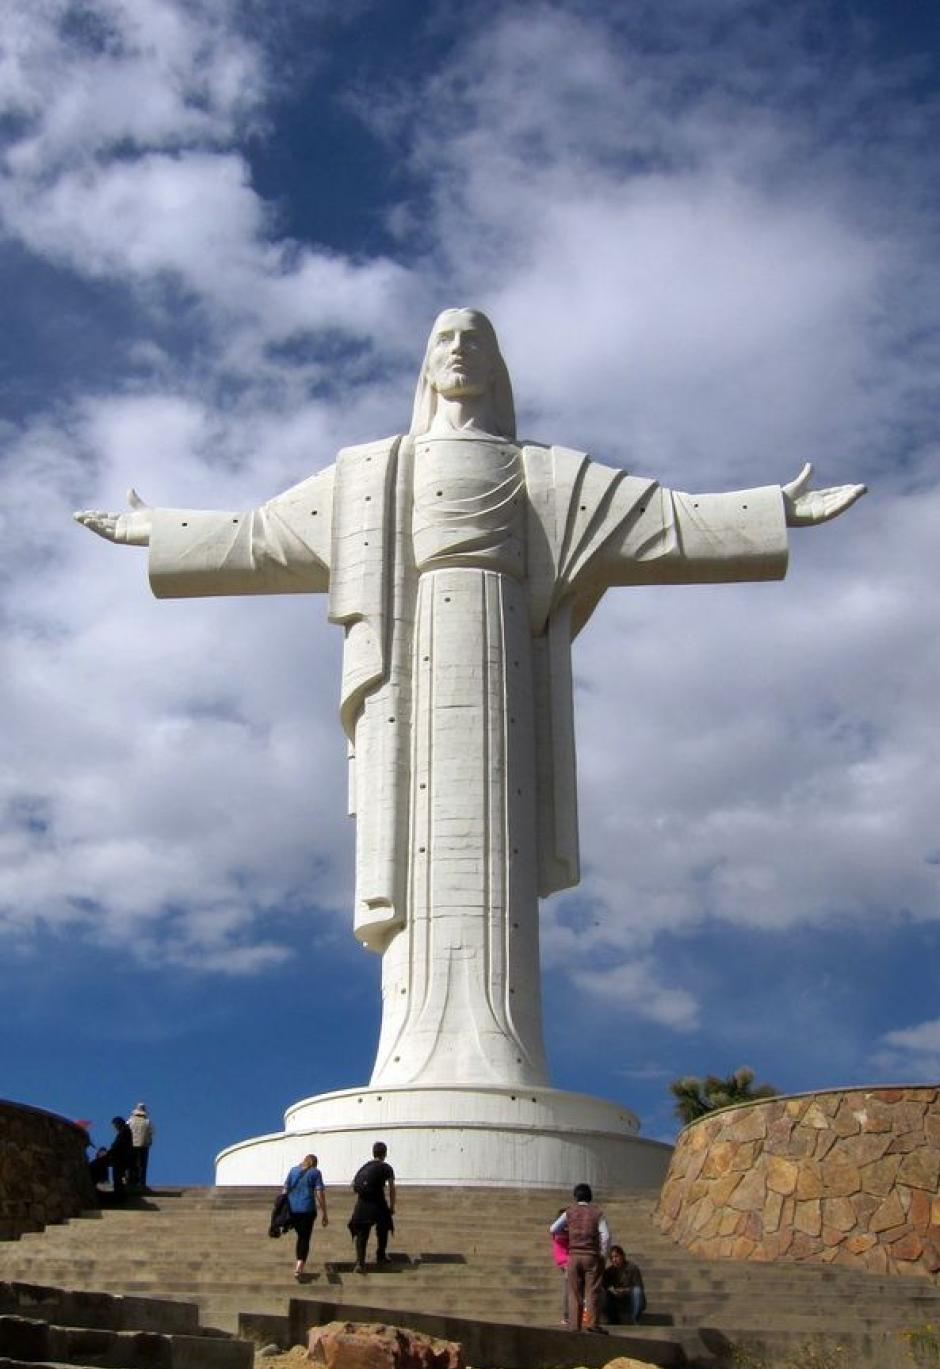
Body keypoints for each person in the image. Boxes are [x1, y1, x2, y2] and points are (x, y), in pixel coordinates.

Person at [74, 310, 865, 1107]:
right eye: (445, 341)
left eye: (474, 340)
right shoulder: (370, 475)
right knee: (420, 872)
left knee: (496, 853)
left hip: (502, 654)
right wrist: (158, 530)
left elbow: (664, 520)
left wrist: (773, 509)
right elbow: (260, 536)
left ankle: (503, 1053)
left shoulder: (548, 475)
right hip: (413, 659)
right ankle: (413, 1056)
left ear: (497, 365)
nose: (459, 352)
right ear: (426, 365)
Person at [550, 1182, 610, 1333]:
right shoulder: (597, 1213)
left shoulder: (569, 1212)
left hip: (574, 1256)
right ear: (590, 1196)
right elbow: (606, 1236)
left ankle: (574, 1325)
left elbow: (553, 1228)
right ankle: (592, 1324)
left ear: (575, 1196)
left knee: (574, 1292)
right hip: (591, 1256)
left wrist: (568, 1232)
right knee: (592, 1291)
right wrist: (603, 1254)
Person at [348, 1141, 395, 1273]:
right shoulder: (386, 1167)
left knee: (362, 1234)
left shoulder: (365, 1167)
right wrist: (392, 1206)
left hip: (362, 1204)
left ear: (373, 1152)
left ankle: (360, 1262)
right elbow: (392, 1188)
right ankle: (380, 1255)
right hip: (378, 1203)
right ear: (385, 1153)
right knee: (384, 1228)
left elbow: (353, 1184)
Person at [283, 1153, 328, 1279]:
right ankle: (299, 1266)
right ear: (315, 1163)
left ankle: (299, 1263)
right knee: (304, 1238)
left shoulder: (293, 1171)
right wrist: (324, 1212)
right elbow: (319, 1193)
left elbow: (285, 1189)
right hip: (307, 1210)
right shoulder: (315, 1173)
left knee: (301, 1237)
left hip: (292, 1210)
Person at [603, 1245, 647, 1325]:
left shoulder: (632, 1268)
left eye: (616, 1256)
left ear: (622, 1256)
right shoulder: (609, 1271)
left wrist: (625, 1291)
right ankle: (612, 1319)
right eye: (612, 1258)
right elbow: (605, 1285)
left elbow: (639, 1287)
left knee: (637, 1291)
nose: (614, 1260)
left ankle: (634, 1319)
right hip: (616, 1299)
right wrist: (612, 1290)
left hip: (630, 1298)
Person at [550, 1206, 570, 1325]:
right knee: (569, 1283)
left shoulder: (570, 1229)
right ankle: (566, 1316)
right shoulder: (557, 1229)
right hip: (563, 1258)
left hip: (572, 1257)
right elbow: (554, 1232)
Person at [127, 1103, 154, 1190]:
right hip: (144, 1145)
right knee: (143, 1165)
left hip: (132, 1145)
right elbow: (151, 1132)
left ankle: (131, 1181)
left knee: (131, 1164)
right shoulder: (147, 1122)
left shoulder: (130, 1121)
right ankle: (142, 1183)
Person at [106, 1116, 134, 1199]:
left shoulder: (124, 1132)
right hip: (122, 1159)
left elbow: (118, 1145)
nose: (115, 1128)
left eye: (115, 1126)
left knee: (117, 1178)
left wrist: (109, 1151)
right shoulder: (126, 1131)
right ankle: (119, 1194)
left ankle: (119, 1195)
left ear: (118, 1124)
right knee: (118, 1177)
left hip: (120, 1159)